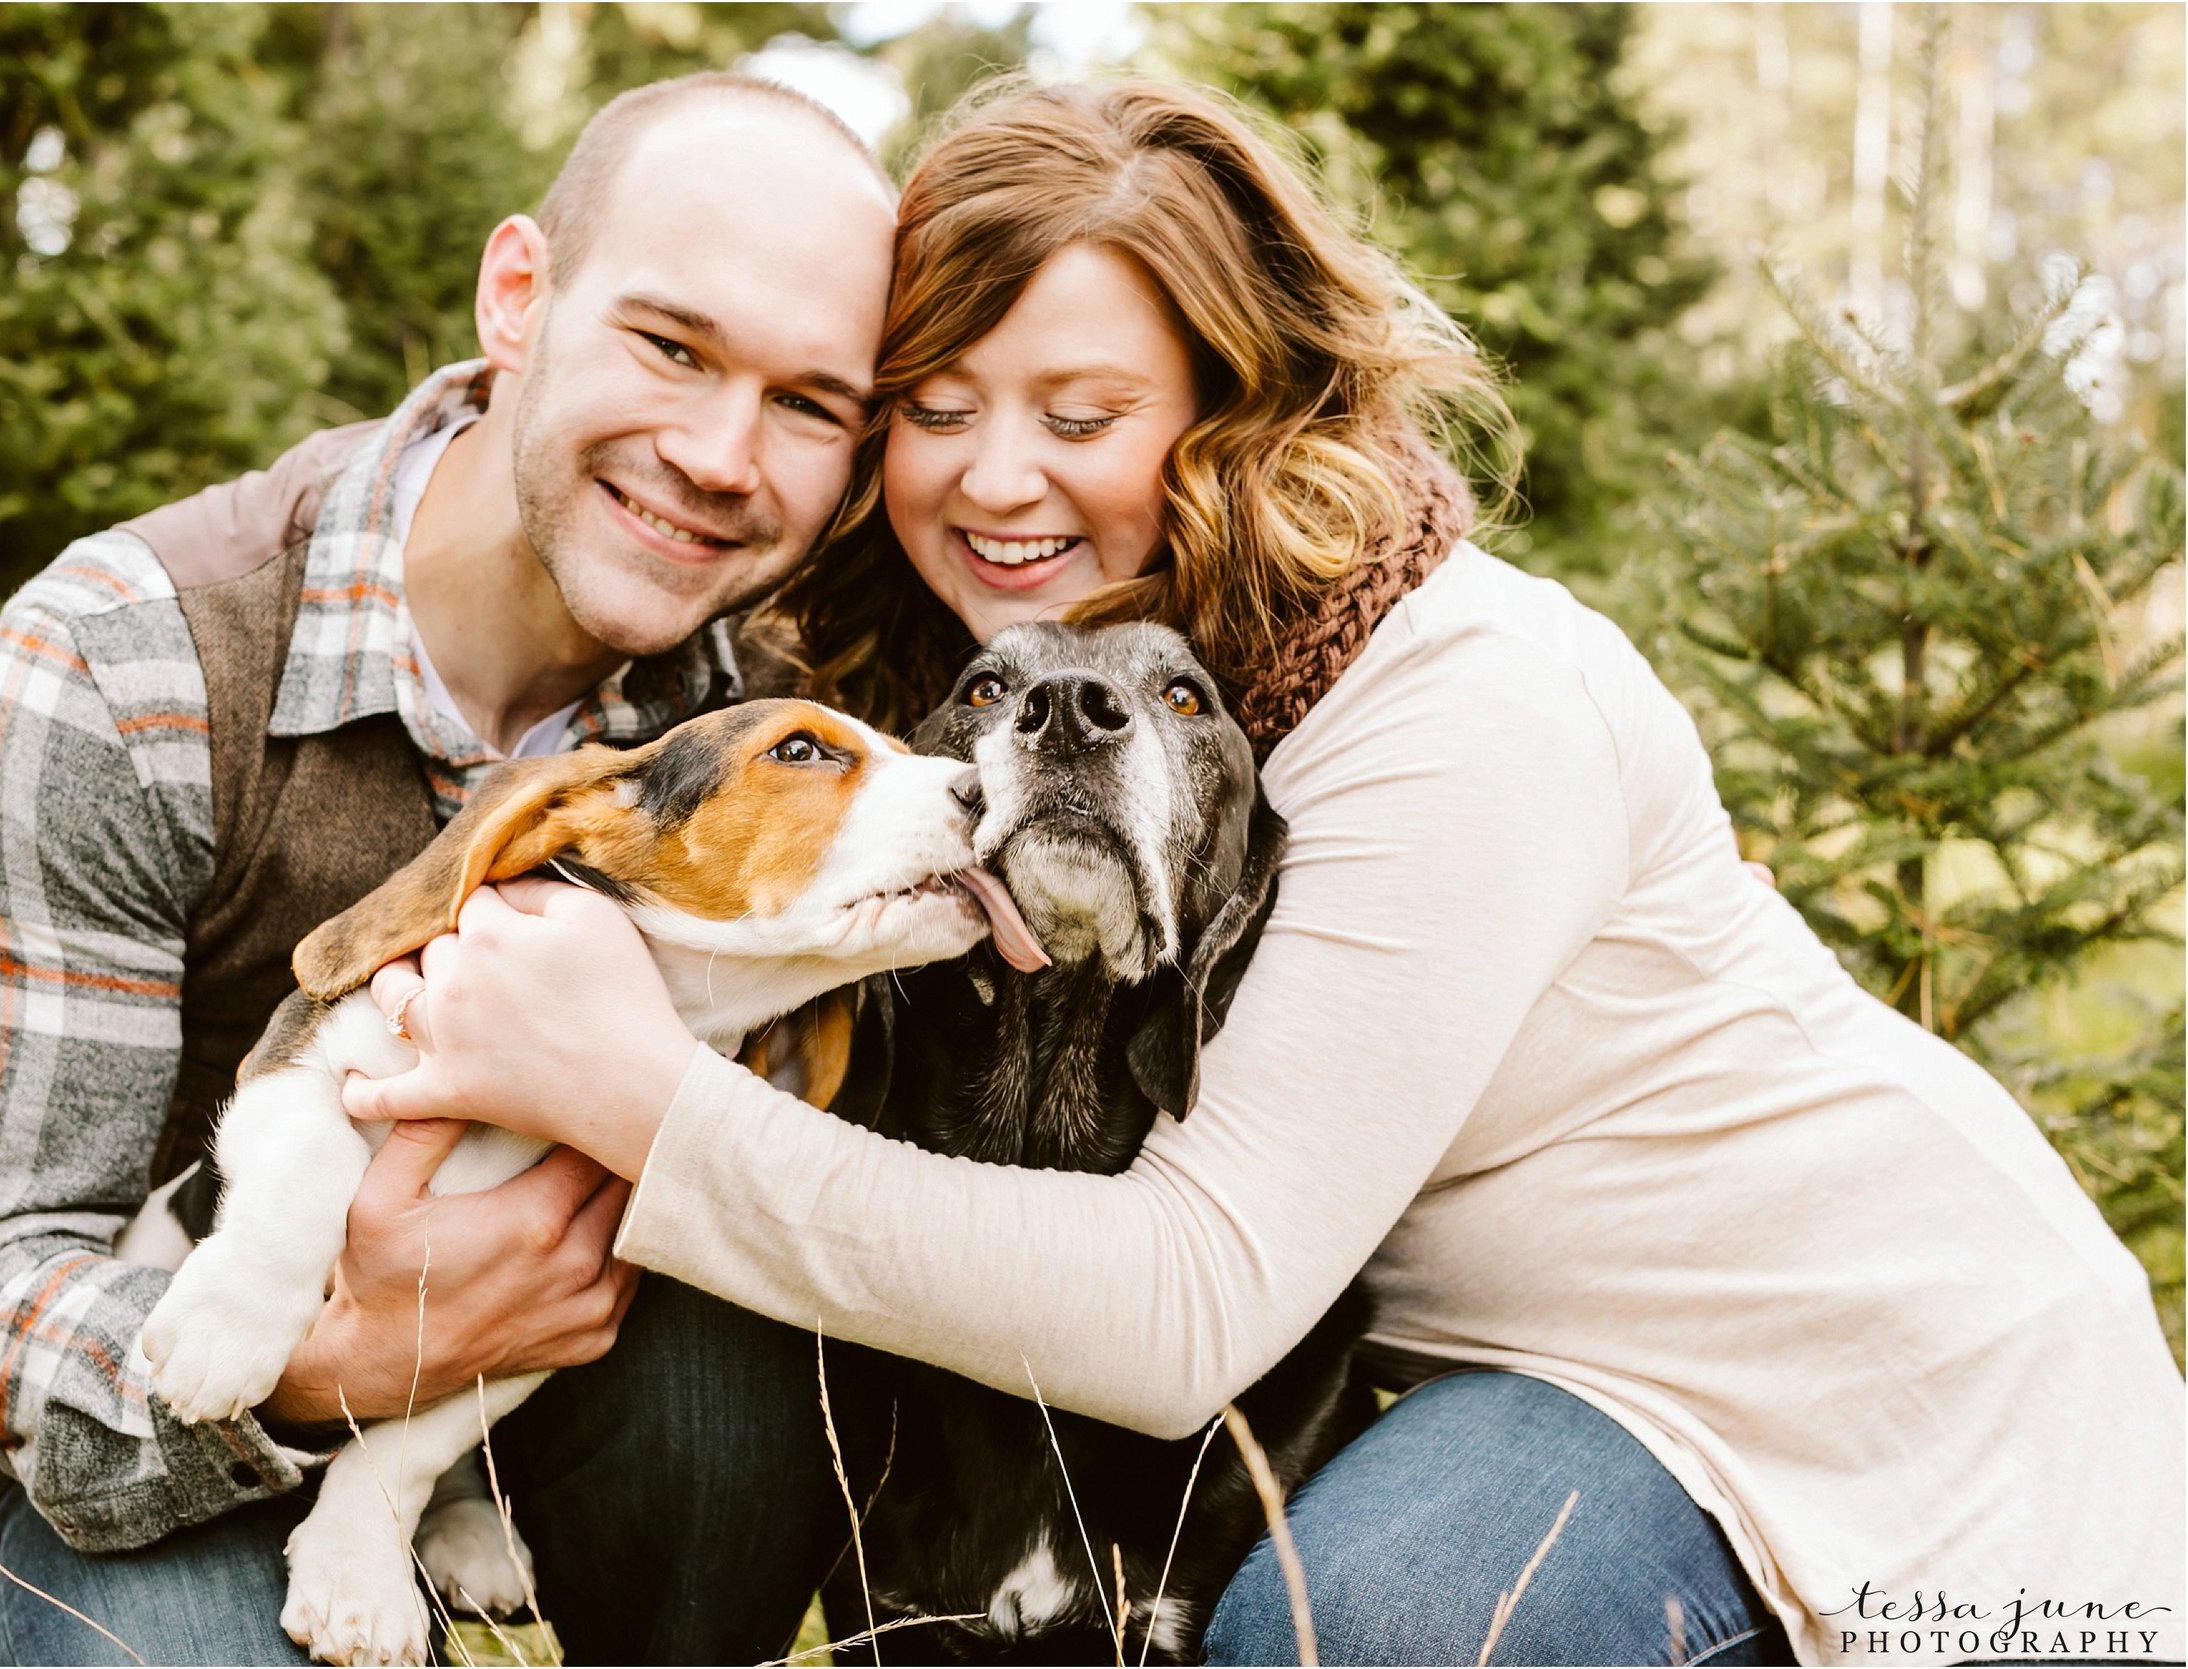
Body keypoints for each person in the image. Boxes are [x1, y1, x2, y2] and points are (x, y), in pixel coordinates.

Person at [346, 80, 2188, 1667]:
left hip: (1873, 1394)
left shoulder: (1469, 697)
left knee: (1376, 1623)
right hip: (1530, 1374)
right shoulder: (988, 700)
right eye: (937, 400)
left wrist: (642, 1105)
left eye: (1080, 417)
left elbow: (1181, 1305)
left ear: (1231, 409)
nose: (997, 479)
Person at [0, 73, 895, 1666]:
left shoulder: (783, 725)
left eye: (810, 404)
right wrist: (321, 1356)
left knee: (740, 1398)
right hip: (201, 1361)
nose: (718, 453)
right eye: (670, 346)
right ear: (518, 295)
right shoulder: (127, 661)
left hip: (571, 1374)